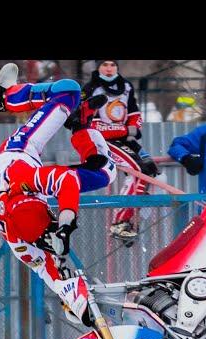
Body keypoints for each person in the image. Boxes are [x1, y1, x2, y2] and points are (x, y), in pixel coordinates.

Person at [0, 63, 117, 325]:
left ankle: (6, 97)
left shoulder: (23, 182)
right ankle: (80, 124)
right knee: (107, 171)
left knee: (68, 90)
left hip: (21, 151)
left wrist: (66, 223)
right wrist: (82, 307)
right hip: (20, 197)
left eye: (49, 218)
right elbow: (56, 279)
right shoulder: (21, 243)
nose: (51, 214)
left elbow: (67, 180)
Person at [81, 60, 160, 242]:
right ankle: (119, 221)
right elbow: (89, 124)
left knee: (149, 170)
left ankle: (128, 220)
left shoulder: (126, 86)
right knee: (139, 171)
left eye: (112, 64)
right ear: (98, 67)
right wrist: (125, 130)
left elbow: (134, 113)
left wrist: (131, 129)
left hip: (125, 140)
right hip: (100, 141)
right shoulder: (91, 88)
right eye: (104, 64)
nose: (109, 69)